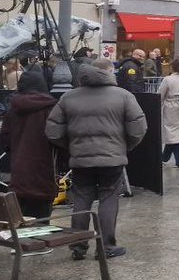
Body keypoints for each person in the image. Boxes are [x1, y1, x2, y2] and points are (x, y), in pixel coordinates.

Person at [45, 59, 146, 260]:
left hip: (81, 159)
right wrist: (124, 147)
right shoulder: (124, 96)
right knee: (109, 199)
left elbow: (53, 131)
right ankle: (107, 246)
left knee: (81, 200)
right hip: (112, 159)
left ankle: (78, 246)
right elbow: (138, 128)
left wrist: (72, 147)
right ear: (109, 74)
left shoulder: (68, 97)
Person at [0, 71, 60, 225]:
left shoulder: (13, 108)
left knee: (22, 211)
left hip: (19, 170)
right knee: (41, 212)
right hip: (44, 168)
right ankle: (38, 242)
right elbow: (57, 138)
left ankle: (21, 241)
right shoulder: (50, 108)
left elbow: (5, 138)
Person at [158, 58, 179, 169]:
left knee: (173, 133)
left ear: (172, 67)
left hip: (172, 107)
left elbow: (160, 95)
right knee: (178, 133)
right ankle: (164, 158)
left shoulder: (168, 79)